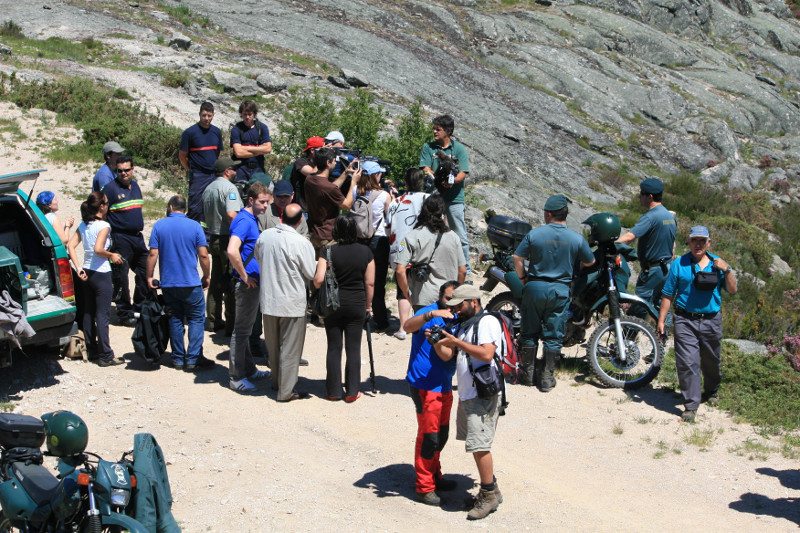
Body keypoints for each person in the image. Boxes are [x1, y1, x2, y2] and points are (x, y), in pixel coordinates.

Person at [432, 284, 504, 520]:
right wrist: (439, 341)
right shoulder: (466, 323)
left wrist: (456, 342)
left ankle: (488, 495)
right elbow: (449, 356)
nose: (457, 310)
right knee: (476, 444)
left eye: (460, 305)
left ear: (474, 301)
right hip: (469, 394)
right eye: (454, 306)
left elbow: (485, 354)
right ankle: (491, 488)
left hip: (483, 395)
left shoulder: (487, 322)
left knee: (480, 446)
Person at [512, 194, 595, 392]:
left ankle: (528, 374)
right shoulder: (576, 238)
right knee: (554, 334)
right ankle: (547, 377)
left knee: (529, 330)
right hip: (560, 289)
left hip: (535, 287)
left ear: (548, 214)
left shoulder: (535, 234)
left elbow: (517, 257)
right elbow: (590, 261)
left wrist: (523, 278)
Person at [657, 226, 737, 423]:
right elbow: (668, 294)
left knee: (711, 359)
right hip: (685, 320)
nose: (698, 244)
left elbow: (733, 290)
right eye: (694, 240)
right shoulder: (679, 264)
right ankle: (691, 406)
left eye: (702, 240)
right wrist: (661, 320)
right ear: (690, 242)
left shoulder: (717, 263)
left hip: (711, 320)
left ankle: (711, 391)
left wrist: (727, 270)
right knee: (688, 363)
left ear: (709, 242)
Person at [403, 280, 460, 506]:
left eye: (455, 300)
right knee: (429, 436)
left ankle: (434, 476)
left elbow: (449, 354)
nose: (450, 304)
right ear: (439, 297)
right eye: (447, 299)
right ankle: (424, 487)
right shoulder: (428, 312)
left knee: (442, 435)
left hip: (444, 384)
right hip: (424, 385)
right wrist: (431, 315)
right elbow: (407, 327)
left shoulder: (458, 316)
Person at [255, 203, 317, 402]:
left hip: (269, 299)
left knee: (273, 347)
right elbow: (310, 272)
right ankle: (286, 391)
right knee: (290, 349)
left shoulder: (265, 236)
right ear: (301, 220)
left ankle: (276, 383)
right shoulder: (301, 242)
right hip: (292, 302)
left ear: (281, 216)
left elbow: (258, 257)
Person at [146, 195, 213, 371]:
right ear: (185, 209)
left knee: (175, 318)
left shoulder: (159, 225)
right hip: (190, 282)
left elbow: (153, 253)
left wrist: (149, 276)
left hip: (169, 283)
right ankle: (193, 358)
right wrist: (207, 275)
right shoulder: (195, 226)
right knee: (196, 319)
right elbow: (204, 255)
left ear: (170, 207)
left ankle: (177, 358)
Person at [313, 216, 375, 402]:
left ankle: (333, 391)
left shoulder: (327, 250)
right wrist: (368, 306)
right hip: (357, 304)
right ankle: (352, 390)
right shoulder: (366, 252)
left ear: (336, 231)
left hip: (333, 305)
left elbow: (318, 280)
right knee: (353, 348)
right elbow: (370, 283)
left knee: (334, 347)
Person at [67, 191, 124, 367]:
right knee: (103, 315)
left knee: (88, 312)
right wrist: (112, 255)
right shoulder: (104, 226)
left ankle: (91, 349)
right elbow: (99, 249)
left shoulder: (85, 225)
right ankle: (106, 354)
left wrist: (78, 268)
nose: (108, 206)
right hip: (101, 272)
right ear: (101, 206)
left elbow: (70, 245)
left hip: (87, 271)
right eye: (106, 203)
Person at [226, 182, 273, 392]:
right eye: (262, 202)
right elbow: (231, 250)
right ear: (251, 200)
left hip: (252, 283)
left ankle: (249, 369)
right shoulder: (244, 221)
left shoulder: (250, 219)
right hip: (246, 285)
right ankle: (235, 377)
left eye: (267, 202)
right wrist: (244, 276)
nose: (265, 206)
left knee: (245, 330)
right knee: (241, 331)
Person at [617, 178, 677, 319]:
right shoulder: (669, 216)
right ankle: (661, 338)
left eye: (642, 194)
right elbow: (673, 243)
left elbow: (630, 237)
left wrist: (608, 247)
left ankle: (628, 339)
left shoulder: (651, 217)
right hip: (667, 269)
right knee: (661, 307)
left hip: (652, 271)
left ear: (650, 197)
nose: (639, 197)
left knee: (639, 306)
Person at [103, 154, 152, 327]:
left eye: (126, 170)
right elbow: (101, 213)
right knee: (121, 277)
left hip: (137, 238)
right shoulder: (109, 189)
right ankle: (124, 313)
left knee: (146, 271)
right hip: (120, 238)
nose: (123, 173)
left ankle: (139, 307)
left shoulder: (136, 186)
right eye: (119, 171)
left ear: (133, 169)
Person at [396, 195, 466, 312]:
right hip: (448, 300)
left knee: (423, 330)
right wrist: (456, 295)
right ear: (443, 213)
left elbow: (400, 270)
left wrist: (407, 294)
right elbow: (462, 271)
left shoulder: (412, 236)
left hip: (422, 298)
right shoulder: (454, 237)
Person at [419, 114, 471, 273]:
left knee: (459, 235)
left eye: (438, 129)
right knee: (431, 231)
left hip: (455, 198)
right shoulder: (428, 147)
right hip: (434, 197)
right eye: (434, 128)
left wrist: (452, 181)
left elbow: (463, 172)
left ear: (448, 131)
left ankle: (465, 270)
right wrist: (436, 177)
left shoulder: (459, 149)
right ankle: (432, 266)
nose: (434, 131)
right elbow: (425, 167)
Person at [202, 156, 244, 334]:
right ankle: (231, 324)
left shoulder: (208, 188)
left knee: (215, 281)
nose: (236, 172)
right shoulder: (230, 188)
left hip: (213, 237)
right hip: (228, 238)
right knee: (231, 282)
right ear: (227, 171)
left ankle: (213, 320)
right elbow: (232, 214)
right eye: (233, 169)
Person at [387, 168, 430, 340]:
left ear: (405, 183)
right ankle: (423, 322)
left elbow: (388, 226)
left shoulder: (395, 202)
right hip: (423, 248)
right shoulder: (428, 199)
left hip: (400, 249)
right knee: (424, 287)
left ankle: (403, 328)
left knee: (402, 288)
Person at [354, 160, 392, 331]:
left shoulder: (356, 191)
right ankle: (380, 319)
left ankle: (359, 316)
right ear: (377, 175)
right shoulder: (384, 196)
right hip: (379, 240)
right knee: (378, 282)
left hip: (359, 239)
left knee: (361, 280)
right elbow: (390, 220)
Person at [305, 147, 358, 254]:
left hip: (313, 234)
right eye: (334, 161)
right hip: (328, 237)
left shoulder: (309, 179)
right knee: (327, 269)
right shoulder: (329, 188)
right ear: (328, 162)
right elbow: (347, 205)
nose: (335, 163)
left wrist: (346, 172)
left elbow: (329, 189)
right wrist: (353, 183)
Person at [179, 101, 223, 226]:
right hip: (198, 175)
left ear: (213, 115)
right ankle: (191, 234)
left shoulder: (216, 132)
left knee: (212, 206)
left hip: (213, 175)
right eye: (204, 115)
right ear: (199, 114)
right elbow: (182, 156)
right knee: (195, 208)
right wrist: (191, 169)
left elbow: (217, 152)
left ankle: (207, 237)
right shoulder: (190, 133)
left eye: (209, 116)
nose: (206, 119)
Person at [231, 100, 272, 189]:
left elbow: (268, 149)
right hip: (241, 168)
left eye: (249, 114)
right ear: (241, 114)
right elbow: (238, 153)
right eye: (244, 114)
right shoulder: (236, 129)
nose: (247, 117)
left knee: (259, 193)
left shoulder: (262, 128)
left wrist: (246, 147)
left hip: (258, 167)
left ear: (254, 114)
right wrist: (259, 149)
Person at [286, 136, 324, 212]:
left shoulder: (323, 164)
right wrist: (321, 158)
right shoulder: (300, 162)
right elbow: (312, 173)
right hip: (302, 209)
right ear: (312, 150)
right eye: (322, 150)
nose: (324, 152)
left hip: (317, 208)